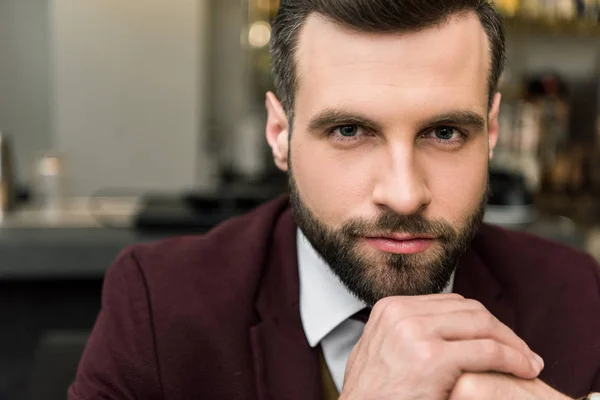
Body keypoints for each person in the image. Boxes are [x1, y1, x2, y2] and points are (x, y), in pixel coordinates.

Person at [69, 1, 600, 399]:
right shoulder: (160, 306)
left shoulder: (576, 296)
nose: (404, 194)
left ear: (490, 132)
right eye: (349, 130)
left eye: (444, 133)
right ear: (280, 133)